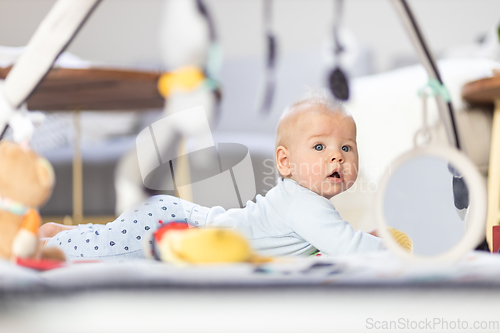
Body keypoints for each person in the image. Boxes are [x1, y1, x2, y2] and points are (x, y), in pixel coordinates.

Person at [40, 89, 383, 261]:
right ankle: (45, 244)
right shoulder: (304, 204)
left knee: (108, 238)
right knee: (105, 253)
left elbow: (321, 246)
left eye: (347, 148)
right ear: (285, 162)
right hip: (177, 228)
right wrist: (389, 249)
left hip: (180, 218)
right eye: (320, 147)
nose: (338, 155)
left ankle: (65, 231)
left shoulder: (301, 202)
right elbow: (349, 249)